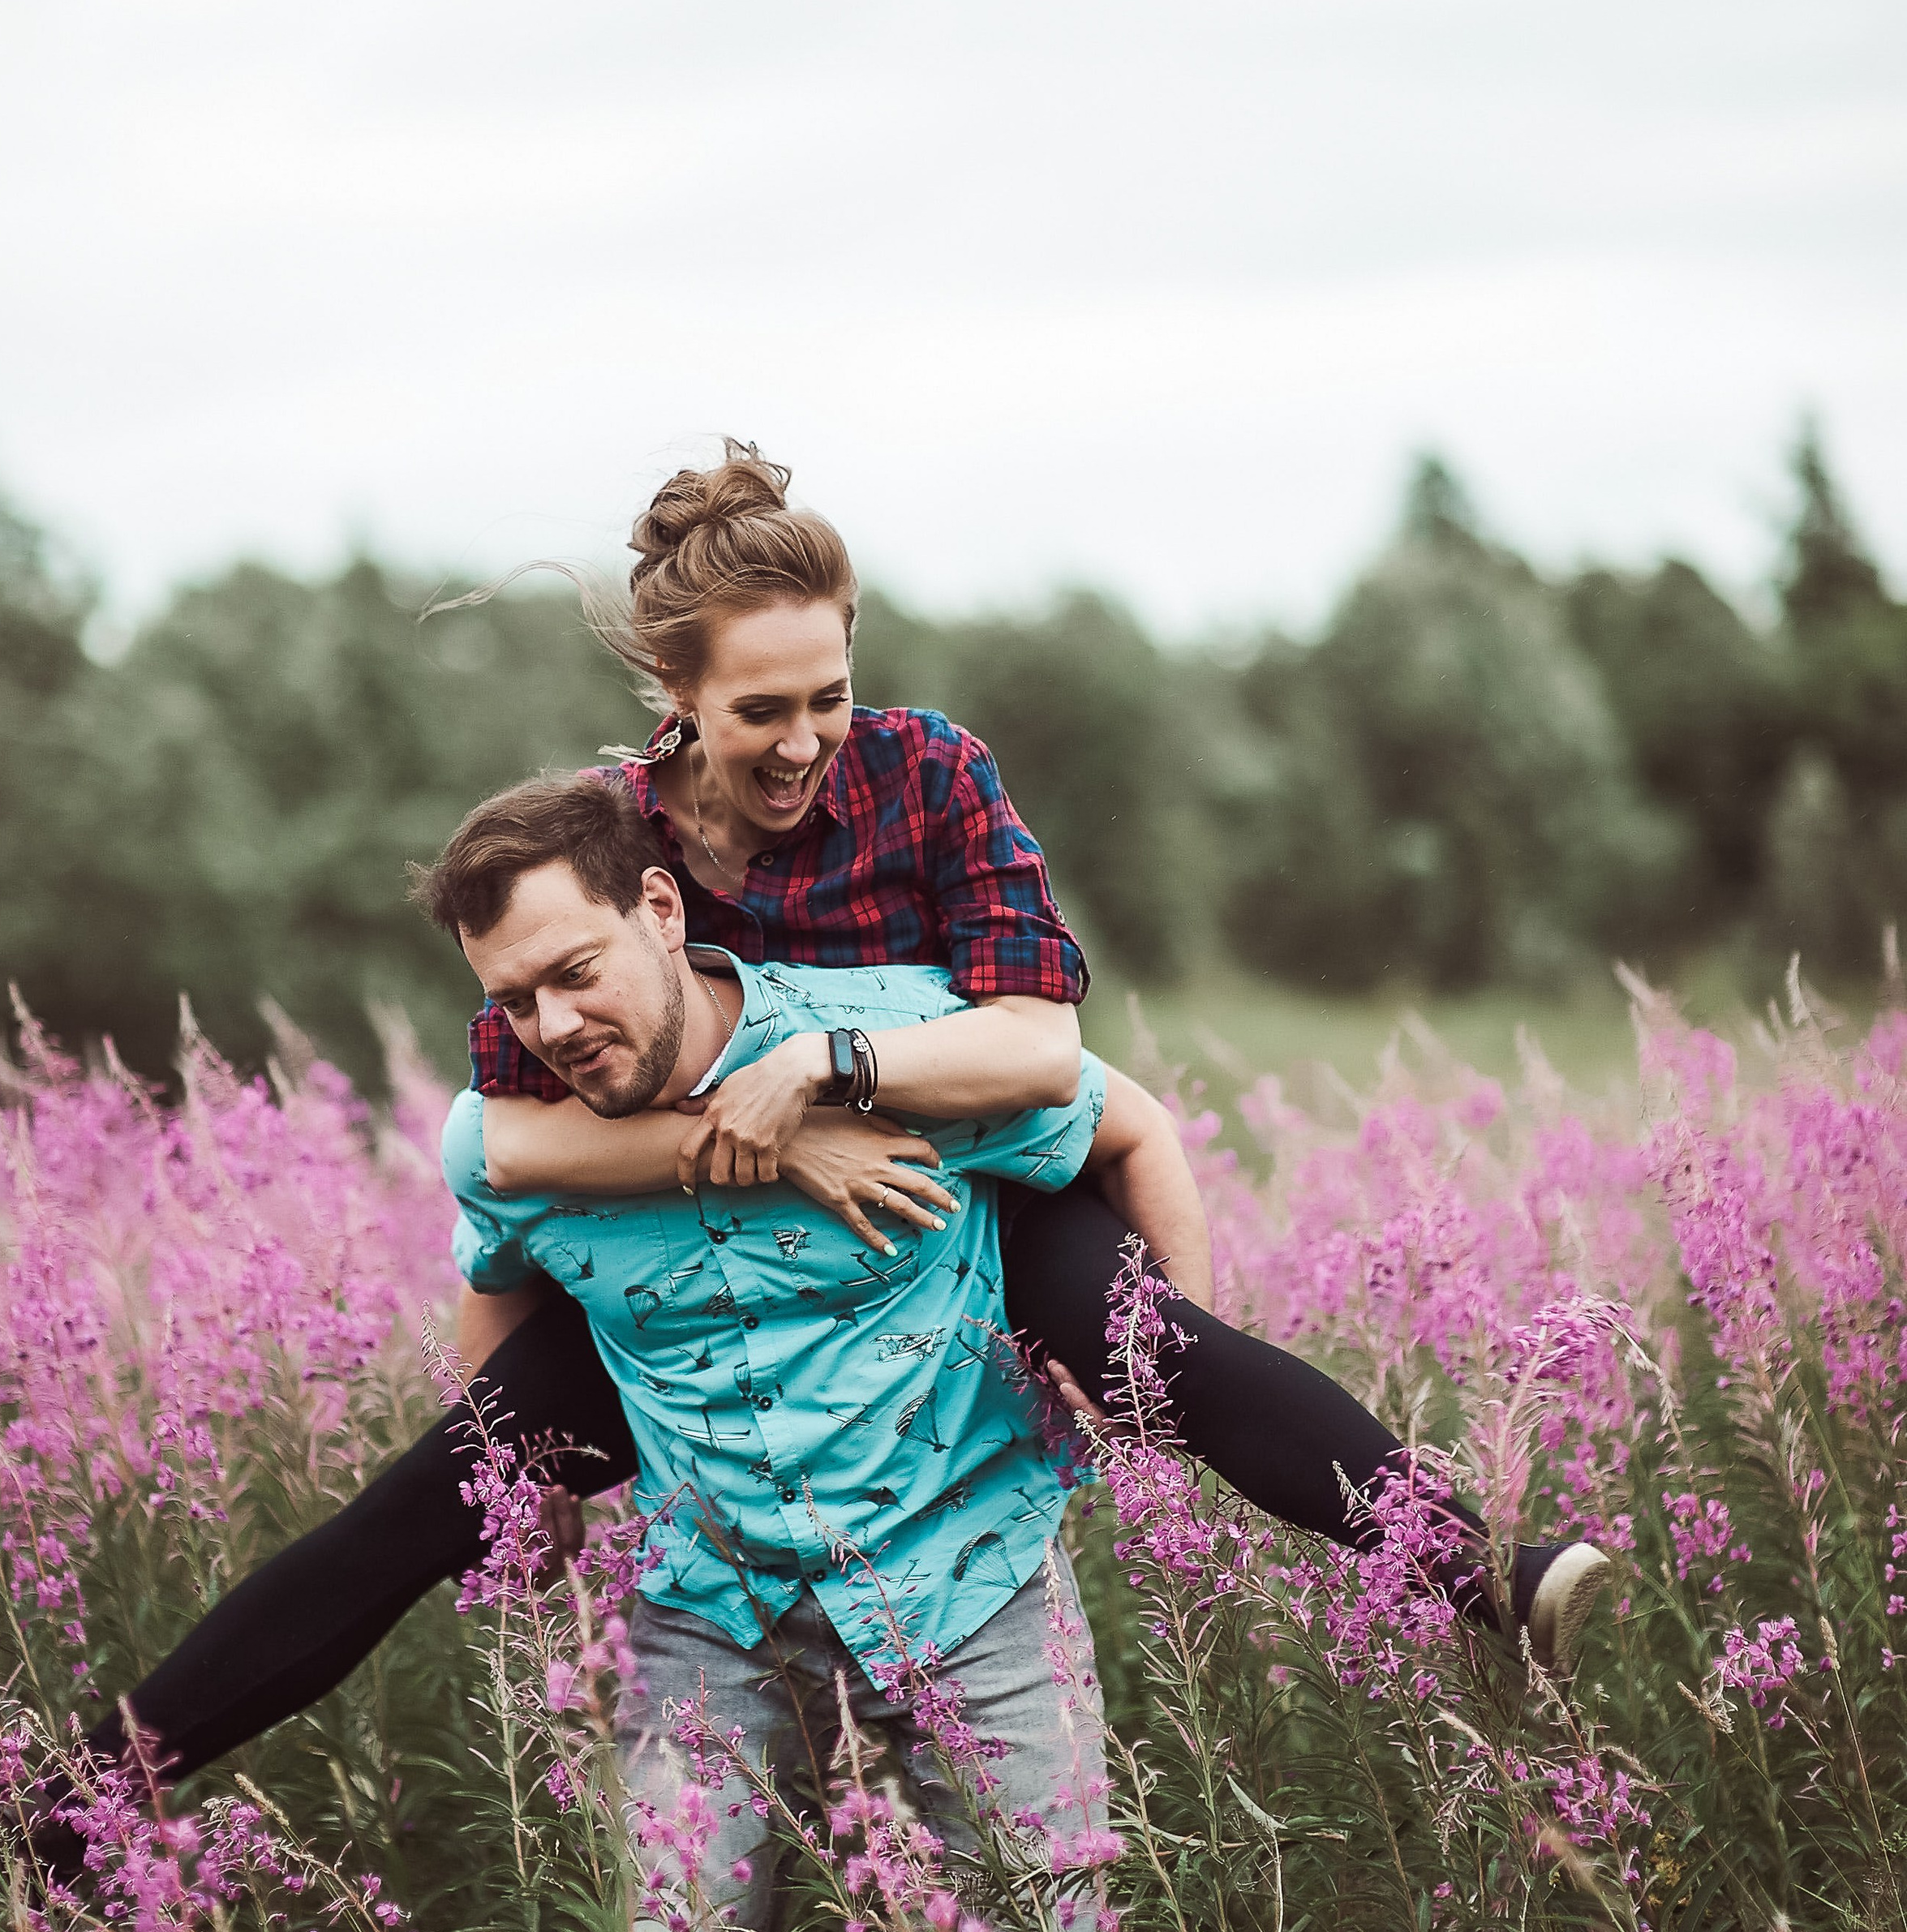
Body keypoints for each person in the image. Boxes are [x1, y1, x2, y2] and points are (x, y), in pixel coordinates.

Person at [459, 439, 1608, 1672]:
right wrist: (773, 1149)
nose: (805, 744)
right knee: (434, 1493)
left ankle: (1490, 1577)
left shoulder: (930, 772)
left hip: (967, 1187)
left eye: (829, 697)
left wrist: (818, 1075)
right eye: (760, 713)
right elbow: (510, 1129)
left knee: (1166, 1354)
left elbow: (1041, 1047)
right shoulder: (609, 833)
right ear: (675, 694)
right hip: (716, 1241)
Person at [432, 775, 1175, 1932]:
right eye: (511, 1000)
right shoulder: (527, 1139)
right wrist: (517, 1479)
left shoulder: (894, 1043)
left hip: (969, 1575)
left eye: (574, 974)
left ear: (659, 906)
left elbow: (1122, 1125)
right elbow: (497, 1268)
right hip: (711, 1610)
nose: (550, 1027)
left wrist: (1162, 1378)